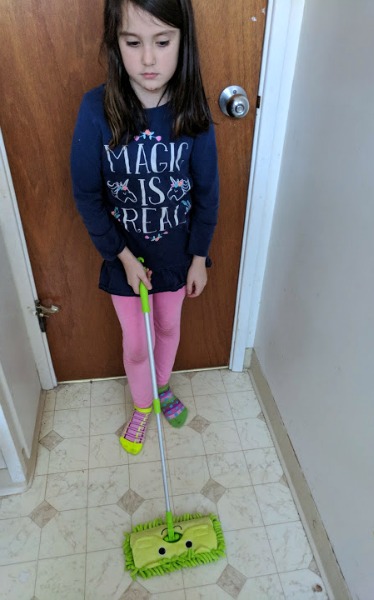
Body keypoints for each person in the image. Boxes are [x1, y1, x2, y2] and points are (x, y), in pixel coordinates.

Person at [70, 0, 219, 456]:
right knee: (136, 344)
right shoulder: (96, 109)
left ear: (182, 42)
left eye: (162, 41)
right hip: (126, 261)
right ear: (115, 44)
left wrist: (198, 257)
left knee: (169, 330)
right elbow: (88, 195)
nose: (149, 59)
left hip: (176, 259)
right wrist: (124, 258)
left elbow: (207, 192)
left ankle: (162, 387)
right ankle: (142, 405)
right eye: (133, 43)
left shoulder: (192, 110)